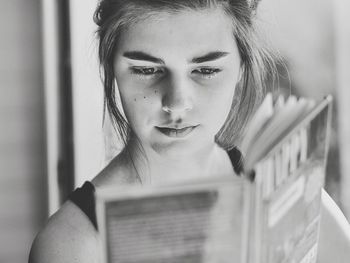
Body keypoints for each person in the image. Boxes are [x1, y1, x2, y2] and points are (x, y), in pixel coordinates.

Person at [29, 0, 350, 262]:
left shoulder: (286, 194)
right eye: (146, 70)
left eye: (206, 70)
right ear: (110, 66)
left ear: (241, 68)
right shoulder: (72, 246)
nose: (178, 103)